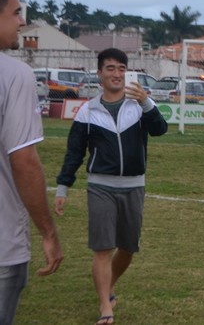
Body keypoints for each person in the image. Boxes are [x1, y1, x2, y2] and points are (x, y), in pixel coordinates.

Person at [55, 47, 168, 325]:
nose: (117, 74)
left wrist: (146, 102)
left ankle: (109, 284)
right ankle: (105, 306)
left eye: (121, 68)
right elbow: (74, 153)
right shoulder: (87, 111)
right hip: (100, 187)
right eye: (110, 68)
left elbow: (160, 129)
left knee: (128, 248)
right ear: (99, 74)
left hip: (134, 186)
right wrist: (62, 188)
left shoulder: (139, 106)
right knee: (103, 248)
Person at [0, 0, 62, 325]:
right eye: (15, 12)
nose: (22, 21)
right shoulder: (14, 75)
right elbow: (24, 160)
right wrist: (48, 232)